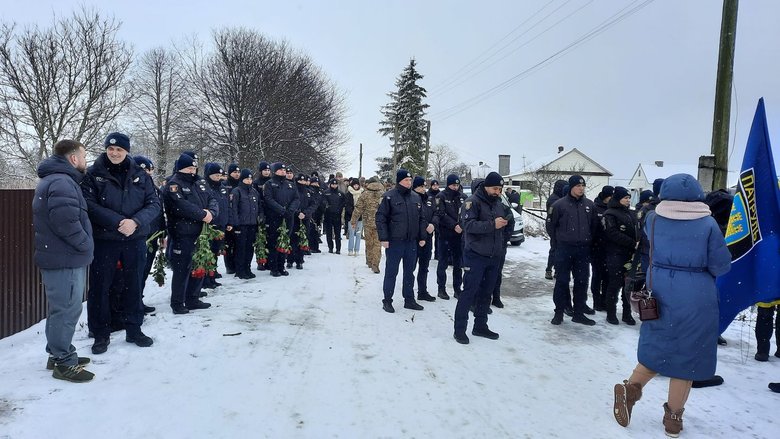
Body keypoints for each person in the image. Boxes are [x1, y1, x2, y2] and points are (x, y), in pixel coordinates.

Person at [612, 173, 731, 438]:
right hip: (696, 295)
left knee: (658, 344)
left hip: (660, 289)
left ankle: (631, 390)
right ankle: (673, 419)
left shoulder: (653, 219)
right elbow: (720, 265)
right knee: (687, 356)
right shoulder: (708, 223)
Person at [82, 132, 159, 354]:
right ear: (106, 149)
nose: (115, 153)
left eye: (120, 150)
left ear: (127, 151)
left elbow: (153, 203)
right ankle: (100, 334)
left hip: (134, 239)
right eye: (111, 149)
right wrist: (118, 222)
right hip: (106, 240)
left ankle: (134, 329)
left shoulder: (141, 175)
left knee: (134, 284)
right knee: (101, 287)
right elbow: (89, 204)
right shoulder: (93, 174)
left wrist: (135, 222)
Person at [33, 139, 95, 382]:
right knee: (67, 309)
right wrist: (86, 244)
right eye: (84, 156)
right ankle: (63, 362)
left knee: (62, 308)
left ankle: (58, 352)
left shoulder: (58, 179)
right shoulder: (61, 182)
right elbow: (65, 222)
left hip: (60, 256)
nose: (85, 161)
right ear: (73, 159)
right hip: (65, 258)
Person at [453, 172, 508, 344]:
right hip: (475, 255)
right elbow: (468, 226)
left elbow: (505, 219)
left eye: (500, 189)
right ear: (486, 186)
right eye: (495, 188)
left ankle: (480, 326)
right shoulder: (472, 203)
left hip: (493, 255)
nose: (497, 192)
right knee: (469, 292)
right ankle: (459, 329)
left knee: (486, 293)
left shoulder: (498, 203)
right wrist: (493, 225)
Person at [163, 153, 218, 314]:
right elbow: (180, 205)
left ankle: (193, 298)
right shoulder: (174, 184)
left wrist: (212, 213)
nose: (192, 171)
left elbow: (212, 199)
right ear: (181, 168)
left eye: (194, 168)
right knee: (182, 269)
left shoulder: (200, 183)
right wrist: (203, 214)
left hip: (200, 232)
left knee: (198, 265)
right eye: (189, 168)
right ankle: (178, 302)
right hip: (183, 233)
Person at [547, 175, 598, 326]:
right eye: (578, 186)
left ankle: (578, 312)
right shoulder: (559, 205)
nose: (581, 188)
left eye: (583, 186)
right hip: (564, 249)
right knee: (562, 281)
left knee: (582, 281)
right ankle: (559, 312)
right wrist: (559, 243)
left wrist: (588, 241)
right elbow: (551, 227)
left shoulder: (589, 205)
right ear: (571, 187)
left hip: (582, 249)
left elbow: (594, 227)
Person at [376, 169, 427, 313]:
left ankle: (409, 299)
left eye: (410, 180)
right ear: (399, 181)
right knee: (391, 272)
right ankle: (387, 300)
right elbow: (381, 218)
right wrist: (384, 238)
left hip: (411, 242)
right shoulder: (388, 197)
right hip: (394, 242)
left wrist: (422, 236)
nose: (409, 183)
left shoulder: (416, 197)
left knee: (409, 272)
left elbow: (422, 218)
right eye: (406, 180)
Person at [601, 186, 637, 325]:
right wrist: (632, 243)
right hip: (615, 254)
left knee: (628, 286)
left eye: (629, 198)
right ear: (618, 199)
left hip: (630, 255)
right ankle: (611, 313)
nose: (628, 201)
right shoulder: (610, 214)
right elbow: (612, 233)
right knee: (614, 285)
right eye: (625, 198)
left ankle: (627, 314)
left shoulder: (631, 214)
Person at [133, 156, 163, 314]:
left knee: (144, 272)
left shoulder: (155, 190)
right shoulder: (133, 188)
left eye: (149, 170)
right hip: (140, 236)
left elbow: (159, 212)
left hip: (153, 236)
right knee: (135, 274)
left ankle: (139, 300)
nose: (148, 173)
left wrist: (162, 233)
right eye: (144, 169)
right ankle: (132, 303)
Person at [263, 162, 300, 277]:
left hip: (288, 217)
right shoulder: (269, 184)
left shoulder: (290, 185)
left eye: (284, 170)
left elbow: (296, 199)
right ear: (275, 171)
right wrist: (281, 210)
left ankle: (281, 266)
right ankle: (274, 267)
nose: (283, 172)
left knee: (284, 241)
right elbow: (268, 199)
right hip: (275, 217)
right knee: (274, 242)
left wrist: (290, 210)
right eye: (281, 170)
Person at [435, 174, 465, 300]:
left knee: (458, 264)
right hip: (445, 234)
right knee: (443, 263)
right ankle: (441, 289)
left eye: (457, 185)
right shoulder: (441, 196)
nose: (455, 187)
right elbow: (441, 214)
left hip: (459, 236)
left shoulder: (462, 197)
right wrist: (454, 225)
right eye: (453, 185)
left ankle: (457, 289)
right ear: (448, 184)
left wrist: (461, 225)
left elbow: (466, 214)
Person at [229, 169, 261, 279]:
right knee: (240, 248)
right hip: (241, 225)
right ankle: (240, 270)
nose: (249, 180)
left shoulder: (254, 192)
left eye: (250, 178)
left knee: (249, 248)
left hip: (252, 224)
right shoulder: (236, 191)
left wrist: (259, 219)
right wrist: (236, 224)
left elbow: (258, 206)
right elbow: (233, 209)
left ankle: (247, 268)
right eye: (247, 178)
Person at [203, 163, 229, 288]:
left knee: (215, 252)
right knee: (207, 252)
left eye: (220, 175)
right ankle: (205, 279)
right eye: (215, 175)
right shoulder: (205, 187)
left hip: (221, 224)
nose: (218, 177)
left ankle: (212, 275)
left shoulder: (222, 188)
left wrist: (227, 221)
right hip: (210, 225)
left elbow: (226, 205)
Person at [352, 177, 384, 273]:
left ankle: (369, 261)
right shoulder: (383, 194)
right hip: (380, 223)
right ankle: (376, 264)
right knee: (377, 244)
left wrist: (353, 221)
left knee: (369, 242)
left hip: (368, 222)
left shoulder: (364, 194)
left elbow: (358, 209)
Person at [412, 176, 437, 302]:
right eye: (420, 187)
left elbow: (436, 213)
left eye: (424, 186)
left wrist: (433, 224)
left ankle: (422, 291)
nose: (423, 189)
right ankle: (409, 294)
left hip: (428, 237)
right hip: (415, 238)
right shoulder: (411, 198)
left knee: (424, 266)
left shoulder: (429, 199)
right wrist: (424, 227)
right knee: (410, 267)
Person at [591, 185, 613, 312]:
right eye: (610, 196)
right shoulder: (595, 207)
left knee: (607, 277)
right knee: (597, 276)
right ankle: (596, 301)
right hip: (596, 248)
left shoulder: (612, 209)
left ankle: (605, 300)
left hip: (609, 249)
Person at [545, 179, 568, 280]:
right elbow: (553, 217)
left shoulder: (560, 198)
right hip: (555, 229)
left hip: (561, 229)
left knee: (560, 251)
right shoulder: (554, 200)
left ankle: (557, 270)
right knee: (554, 250)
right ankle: (549, 270)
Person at [223, 163, 241, 274]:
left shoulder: (241, 184)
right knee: (229, 244)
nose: (237, 174)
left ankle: (237, 264)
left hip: (239, 217)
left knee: (238, 244)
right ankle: (229, 266)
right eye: (235, 172)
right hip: (229, 217)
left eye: (238, 172)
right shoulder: (225, 184)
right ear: (230, 173)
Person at [322, 178, 346, 254]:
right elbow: (323, 201)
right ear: (330, 184)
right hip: (328, 215)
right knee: (329, 233)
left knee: (337, 233)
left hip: (337, 215)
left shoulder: (340, 193)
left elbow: (343, 202)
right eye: (333, 184)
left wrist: (340, 209)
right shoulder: (326, 192)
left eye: (335, 184)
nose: (334, 185)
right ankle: (330, 248)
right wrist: (327, 206)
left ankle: (338, 249)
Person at [345, 178, 365, 256]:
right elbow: (347, 206)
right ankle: (350, 249)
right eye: (354, 185)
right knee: (351, 233)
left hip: (360, 217)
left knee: (358, 234)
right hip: (351, 217)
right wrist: (353, 213)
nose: (356, 186)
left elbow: (363, 205)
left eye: (357, 185)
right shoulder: (348, 194)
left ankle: (357, 250)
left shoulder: (362, 193)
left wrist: (359, 213)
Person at [308, 176, 324, 254]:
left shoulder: (320, 191)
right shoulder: (310, 191)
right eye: (314, 182)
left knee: (317, 230)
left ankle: (316, 246)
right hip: (311, 212)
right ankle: (310, 246)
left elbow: (322, 201)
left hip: (319, 213)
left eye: (317, 183)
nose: (316, 184)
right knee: (311, 230)